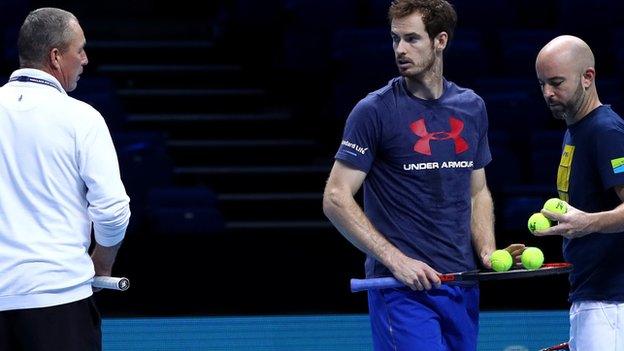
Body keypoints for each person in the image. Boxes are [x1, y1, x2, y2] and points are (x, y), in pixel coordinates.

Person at [322, 0, 523, 349]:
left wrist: (488, 252)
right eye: (395, 39)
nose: (400, 49)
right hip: (403, 291)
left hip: (462, 285)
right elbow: (335, 198)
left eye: (412, 39)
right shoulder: (374, 111)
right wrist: (395, 260)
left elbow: (477, 192)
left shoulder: (472, 106)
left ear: (440, 40)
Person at [0, 7, 130, 351]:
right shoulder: (81, 118)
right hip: (58, 303)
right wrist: (100, 263)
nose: (85, 59)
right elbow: (114, 210)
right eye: (80, 49)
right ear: (55, 57)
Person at [534, 35, 624, 351]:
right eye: (542, 83)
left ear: (588, 77)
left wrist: (587, 223)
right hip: (591, 294)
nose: (547, 93)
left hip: (611, 303)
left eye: (557, 82)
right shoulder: (575, 129)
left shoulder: (605, 130)